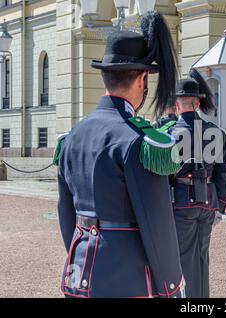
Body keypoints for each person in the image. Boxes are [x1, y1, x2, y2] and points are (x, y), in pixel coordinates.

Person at [55, 11, 185, 298]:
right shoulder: (139, 141)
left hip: (80, 269)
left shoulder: (72, 137)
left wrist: (79, 255)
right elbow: (156, 223)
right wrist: (171, 284)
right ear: (141, 79)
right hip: (128, 277)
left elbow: (66, 212)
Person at [162, 68, 226, 298]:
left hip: (181, 202)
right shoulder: (216, 132)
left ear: (178, 105)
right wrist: (220, 205)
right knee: (202, 258)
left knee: (183, 259)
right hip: (208, 201)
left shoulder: (170, 133)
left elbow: (164, 175)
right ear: (198, 104)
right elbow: (222, 173)